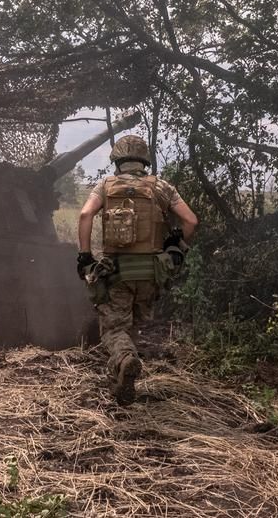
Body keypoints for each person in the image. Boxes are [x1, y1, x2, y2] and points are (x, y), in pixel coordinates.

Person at [77, 135, 198, 404]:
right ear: (144, 160)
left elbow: (85, 215)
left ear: (117, 161)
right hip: (150, 273)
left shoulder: (105, 185)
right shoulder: (162, 187)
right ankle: (121, 380)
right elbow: (191, 221)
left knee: (113, 329)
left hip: (116, 272)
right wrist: (176, 249)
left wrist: (85, 256)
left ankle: (124, 359)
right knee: (131, 326)